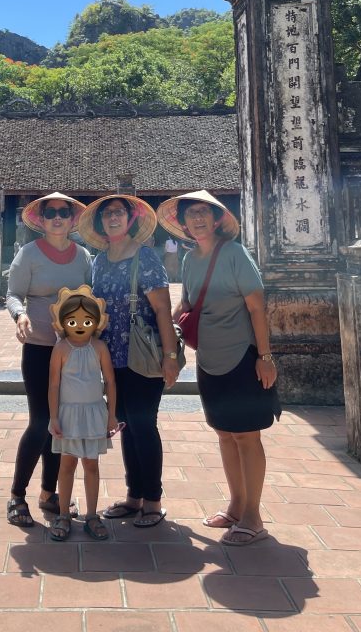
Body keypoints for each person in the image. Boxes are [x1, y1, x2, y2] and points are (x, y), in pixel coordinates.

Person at [158, 190, 280, 546]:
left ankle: (254, 516)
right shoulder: (189, 260)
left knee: (247, 435)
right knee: (225, 433)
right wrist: (166, 328)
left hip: (242, 355)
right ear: (182, 223)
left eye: (203, 213)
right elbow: (187, 303)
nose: (197, 219)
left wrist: (265, 356)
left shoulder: (235, 254)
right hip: (208, 358)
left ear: (216, 219)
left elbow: (257, 306)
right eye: (190, 214)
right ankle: (236, 505)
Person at [78, 194, 179, 529]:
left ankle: (153, 499)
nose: (113, 218)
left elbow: (163, 309)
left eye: (119, 213)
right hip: (111, 357)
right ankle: (134, 496)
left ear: (130, 219)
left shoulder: (145, 257)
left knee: (143, 423)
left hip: (142, 354)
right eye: (107, 214)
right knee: (125, 425)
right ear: (100, 223)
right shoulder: (99, 260)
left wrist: (170, 356)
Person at [5, 192, 92, 528]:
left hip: (72, 349)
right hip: (40, 345)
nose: (57, 218)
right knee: (41, 420)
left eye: (63, 213)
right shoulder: (28, 254)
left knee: (62, 424)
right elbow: (12, 293)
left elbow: (90, 296)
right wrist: (20, 315)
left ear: (72, 221)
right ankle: (16, 494)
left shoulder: (83, 256)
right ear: (40, 220)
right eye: (51, 213)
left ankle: (48, 492)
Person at [47, 286, 117, 541]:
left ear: (96, 323)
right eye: (72, 321)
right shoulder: (60, 349)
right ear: (63, 323)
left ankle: (91, 515)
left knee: (91, 465)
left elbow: (110, 381)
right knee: (67, 464)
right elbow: (53, 384)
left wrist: (111, 415)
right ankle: (64, 513)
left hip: (94, 414)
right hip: (68, 416)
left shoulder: (99, 347)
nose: (79, 325)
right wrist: (54, 416)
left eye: (86, 321)